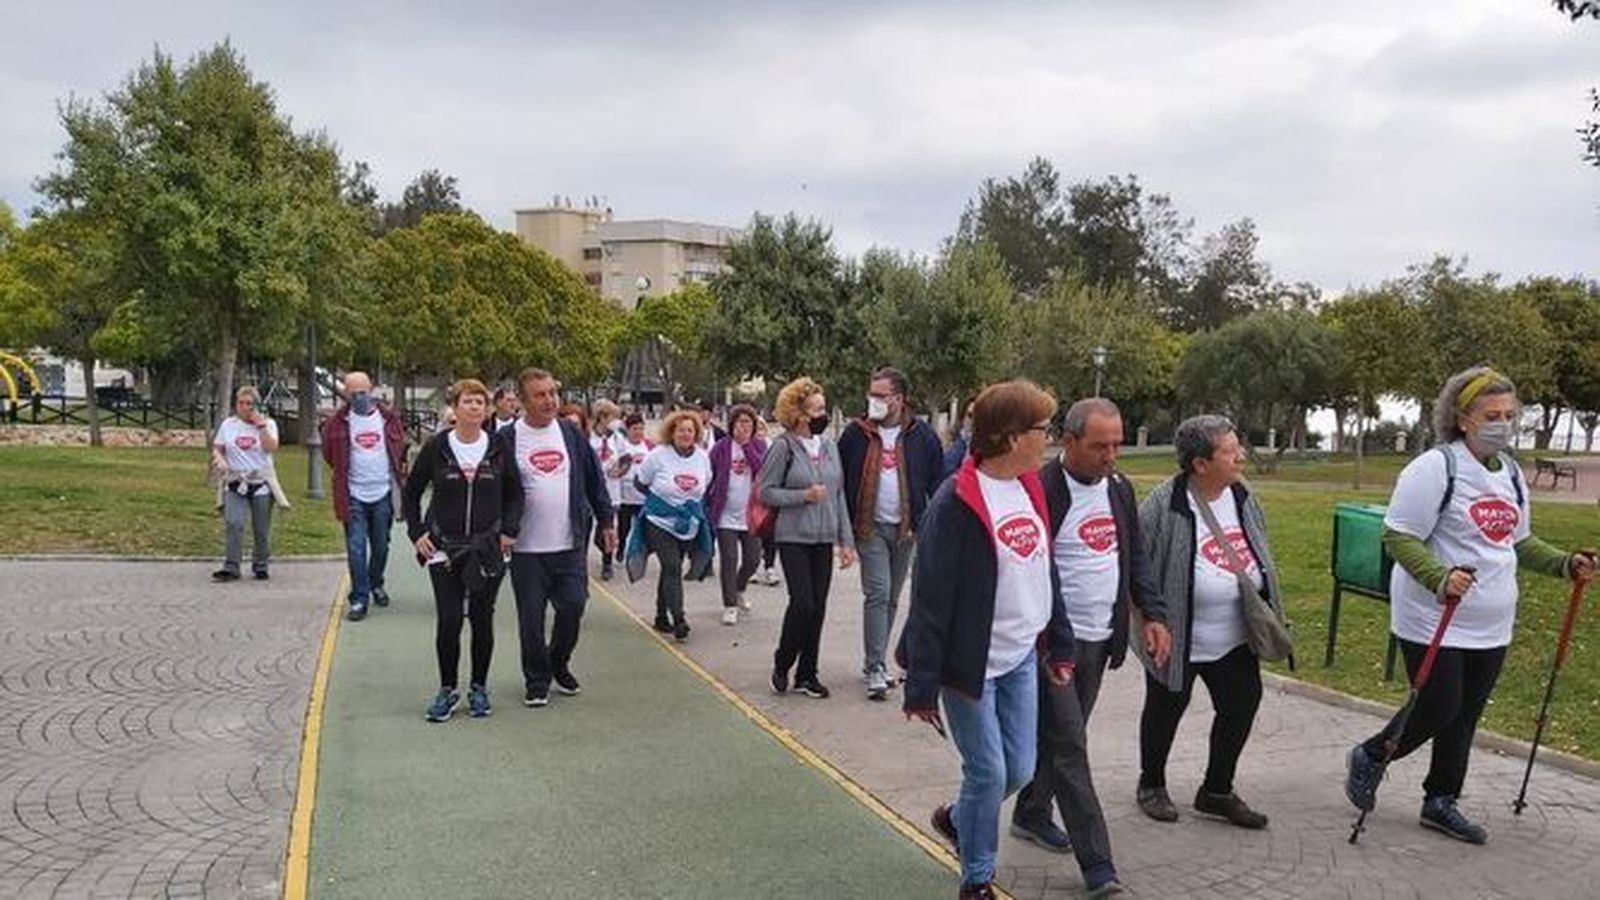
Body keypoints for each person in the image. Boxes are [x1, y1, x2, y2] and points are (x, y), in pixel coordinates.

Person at [1344, 367, 1596, 844]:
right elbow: (1398, 535)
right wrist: (1439, 577)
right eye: (1491, 415)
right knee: (1439, 704)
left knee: (1465, 714)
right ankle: (1373, 755)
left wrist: (1565, 564)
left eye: (1509, 414)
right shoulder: (1436, 467)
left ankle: (1441, 801)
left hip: (1492, 620)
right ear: (1462, 419)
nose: (1503, 423)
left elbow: (1517, 542)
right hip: (1432, 614)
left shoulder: (1512, 475)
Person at [898, 380, 1076, 900]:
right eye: (1043, 429)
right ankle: (976, 878)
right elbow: (930, 599)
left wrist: (1058, 645)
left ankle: (956, 818)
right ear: (1010, 435)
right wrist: (922, 687)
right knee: (987, 771)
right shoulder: (955, 502)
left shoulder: (1030, 486)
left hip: (1020, 656)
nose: (1050, 438)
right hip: (967, 666)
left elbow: (1046, 571)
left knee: (1017, 768)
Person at [1009, 398, 1169, 892]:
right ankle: (1097, 865)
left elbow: (1134, 555)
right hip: (1052, 641)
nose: (1111, 455)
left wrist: (1154, 614)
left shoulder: (1120, 488)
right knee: (1071, 747)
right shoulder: (1040, 489)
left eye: (1117, 444)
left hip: (1100, 639)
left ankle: (1032, 811)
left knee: (1054, 740)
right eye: (1100, 446)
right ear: (1070, 441)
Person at [1134, 414, 1278, 830]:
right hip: (1177, 637)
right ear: (1200, 463)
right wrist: (1149, 620)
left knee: (1242, 705)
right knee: (1165, 708)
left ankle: (1216, 791)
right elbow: (1137, 566)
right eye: (1231, 451)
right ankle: (1152, 784)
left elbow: (1259, 549)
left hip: (1234, 637)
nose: (1241, 457)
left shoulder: (1243, 496)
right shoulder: (1164, 505)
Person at [402, 379, 523, 722]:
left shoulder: (498, 446)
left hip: (487, 547)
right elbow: (411, 493)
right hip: (444, 547)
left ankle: (479, 688)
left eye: (479, 402)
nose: (474, 407)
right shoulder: (438, 446)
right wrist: (417, 533)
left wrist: (509, 531)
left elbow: (515, 493)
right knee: (451, 619)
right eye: (467, 401)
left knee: (482, 620)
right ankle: (447, 689)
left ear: (487, 410)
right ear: (454, 408)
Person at [503, 369, 615, 708]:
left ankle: (558, 662)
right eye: (540, 395)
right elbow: (495, 490)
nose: (550, 400)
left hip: (569, 545)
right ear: (522, 402)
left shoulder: (570, 433)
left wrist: (607, 520)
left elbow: (595, 481)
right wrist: (500, 529)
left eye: (553, 392)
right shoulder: (507, 439)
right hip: (527, 551)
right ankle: (536, 680)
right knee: (531, 621)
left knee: (573, 607)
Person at [838, 367, 946, 700]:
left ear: (898, 399)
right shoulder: (856, 434)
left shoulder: (922, 435)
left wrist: (931, 525)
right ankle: (875, 667)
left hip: (906, 529)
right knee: (879, 594)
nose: (874, 401)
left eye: (881, 395)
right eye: (871, 394)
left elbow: (937, 483)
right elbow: (839, 481)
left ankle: (878, 659)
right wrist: (843, 533)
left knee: (893, 598)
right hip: (869, 528)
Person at [759, 378, 857, 699]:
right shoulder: (782, 447)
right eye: (816, 408)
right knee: (803, 603)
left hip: (823, 536)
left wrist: (846, 541)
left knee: (819, 608)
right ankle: (783, 660)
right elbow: (766, 492)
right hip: (793, 537)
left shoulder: (829, 447)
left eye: (823, 408)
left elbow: (838, 495)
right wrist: (803, 495)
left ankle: (807, 674)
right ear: (799, 413)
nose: (822, 414)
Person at [320, 371, 407, 622]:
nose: (359, 397)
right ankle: (359, 598)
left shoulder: (388, 420)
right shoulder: (336, 423)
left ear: (372, 390)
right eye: (354, 393)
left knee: (381, 545)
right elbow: (329, 455)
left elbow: (398, 448)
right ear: (346, 394)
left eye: (363, 391)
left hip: (382, 492)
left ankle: (375, 582)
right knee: (356, 547)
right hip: (353, 494)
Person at [627, 409, 714, 641]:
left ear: (696, 433)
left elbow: (705, 486)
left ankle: (660, 616)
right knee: (672, 565)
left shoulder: (703, 458)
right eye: (680, 430)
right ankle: (679, 620)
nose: (685, 434)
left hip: (687, 524)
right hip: (658, 520)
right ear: (671, 432)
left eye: (690, 430)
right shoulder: (658, 455)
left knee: (669, 570)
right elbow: (640, 483)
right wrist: (662, 502)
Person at [211, 386, 280, 582]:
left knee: (261, 527)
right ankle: (231, 566)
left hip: (260, 482)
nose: (244, 407)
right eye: (241, 403)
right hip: (235, 480)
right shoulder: (228, 425)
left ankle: (261, 565)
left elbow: (271, 447)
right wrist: (220, 459)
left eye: (249, 404)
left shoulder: (268, 424)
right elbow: (218, 448)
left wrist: (261, 427)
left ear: (256, 405)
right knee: (234, 522)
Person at [706, 404, 767, 625]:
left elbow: (762, 470)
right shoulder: (721, 448)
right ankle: (729, 604)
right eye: (740, 422)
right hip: (725, 514)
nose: (744, 426)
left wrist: (748, 447)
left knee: (752, 558)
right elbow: (708, 474)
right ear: (732, 425)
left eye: (749, 423)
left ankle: (739, 588)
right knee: (729, 559)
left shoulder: (759, 445)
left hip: (750, 513)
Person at [608, 412, 652, 570]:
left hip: (643, 497)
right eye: (635, 428)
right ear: (628, 430)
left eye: (641, 428)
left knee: (643, 529)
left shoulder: (649, 446)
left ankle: (639, 554)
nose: (638, 432)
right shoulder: (622, 446)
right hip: (625, 496)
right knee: (624, 527)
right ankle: (620, 549)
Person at [590, 399, 623, 580]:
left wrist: (620, 469)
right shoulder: (588, 437)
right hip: (591, 490)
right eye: (611, 417)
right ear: (602, 417)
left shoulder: (617, 438)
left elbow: (626, 458)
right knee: (590, 528)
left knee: (607, 527)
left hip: (611, 491)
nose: (615, 421)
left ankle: (607, 562)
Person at [754, 414, 782, 588]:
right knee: (754, 533)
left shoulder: (772, 446)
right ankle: (754, 566)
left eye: (761, 427)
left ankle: (769, 566)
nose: (759, 431)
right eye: (755, 428)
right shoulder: (744, 447)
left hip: (770, 496)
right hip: (752, 497)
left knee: (770, 533)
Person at [943, 400, 973, 480]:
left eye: (980, 416)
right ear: (963, 419)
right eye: (970, 415)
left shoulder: (991, 449)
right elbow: (947, 472)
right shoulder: (957, 447)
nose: (974, 420)